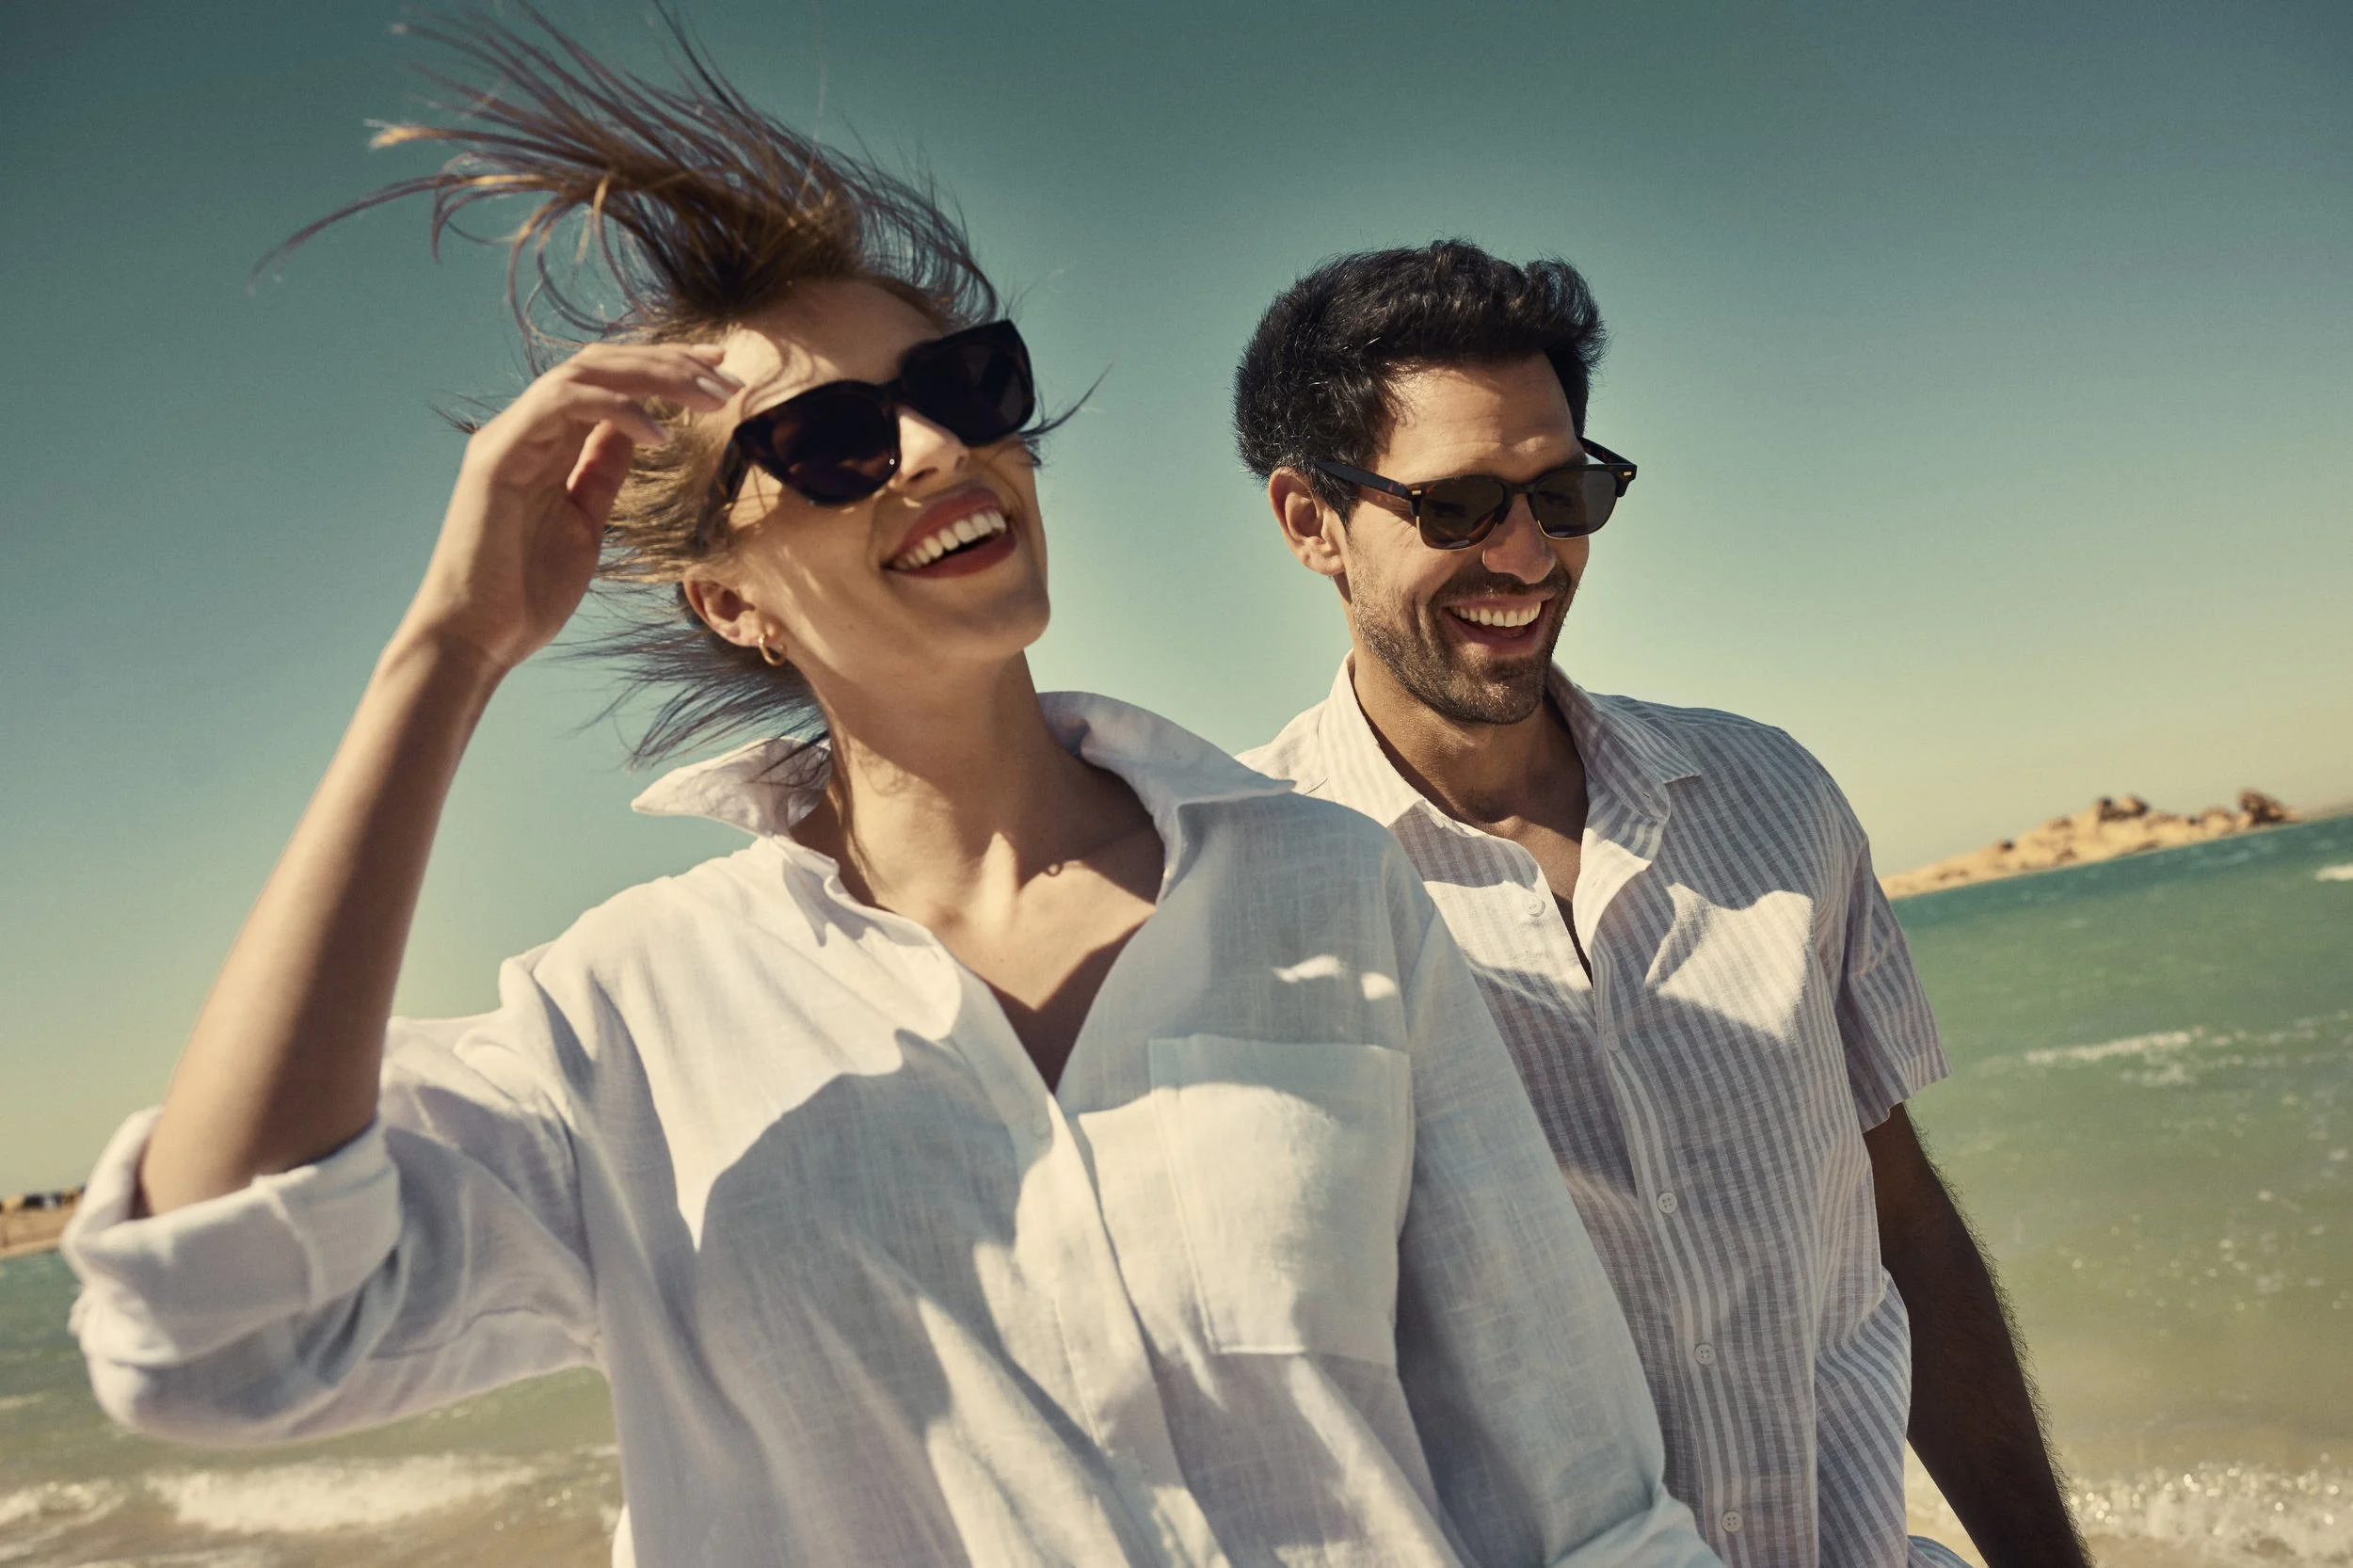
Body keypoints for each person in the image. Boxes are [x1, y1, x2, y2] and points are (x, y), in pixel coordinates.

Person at [61, 21, 1722, 1568]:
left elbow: (1571, 1480)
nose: (934, 453)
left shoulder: (1331, 889)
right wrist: (446, 656)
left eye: (965, 391)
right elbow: (218, 1326)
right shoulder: (634, 1018)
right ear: (731, 597)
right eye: (840, 443)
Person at [1235, 241, 2090, 1568]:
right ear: (1310, 521)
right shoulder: (1238, 897)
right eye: (1459, 505)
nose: (1527, 553)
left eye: (1562, 491)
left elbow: (1899, 1214)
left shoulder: (1776, 800)